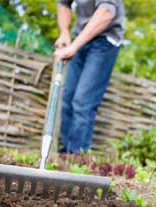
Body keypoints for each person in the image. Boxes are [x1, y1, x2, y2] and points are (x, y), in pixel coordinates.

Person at [54, 0, 125, 154]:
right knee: (67, 99)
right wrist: (64, 32)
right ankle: (66, 154)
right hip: (81, 37)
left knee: (83, 101)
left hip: (105, 39)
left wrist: (74, 46)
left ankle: (77, 158)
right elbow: (64, 4)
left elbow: (106, 12)